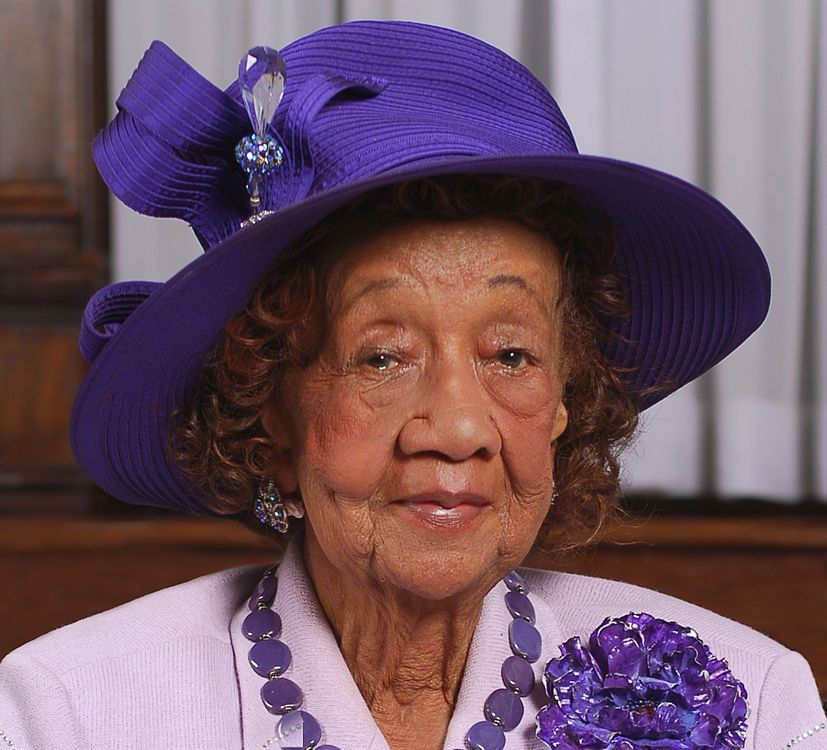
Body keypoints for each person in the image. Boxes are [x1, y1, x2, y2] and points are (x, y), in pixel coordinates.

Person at [0, 19, 824, 750]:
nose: (458, 427)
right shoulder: (67, 713)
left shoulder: (751, 700)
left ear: (567, 401)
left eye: (510, 356)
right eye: (382, 357)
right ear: (270, 413)